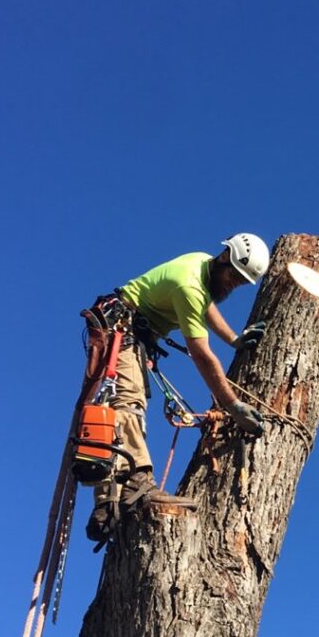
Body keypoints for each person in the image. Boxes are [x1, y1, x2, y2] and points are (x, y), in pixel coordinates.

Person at [81, 233, 270, 546]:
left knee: (116, 411)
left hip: (128, 332)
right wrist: (233, 405)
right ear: (224, 258)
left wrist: (234, 340)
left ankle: (107, 504)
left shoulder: (199, 264)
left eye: (239, 283)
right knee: (127, 405)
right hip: (121, 331)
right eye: (233, 277)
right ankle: (137, 480)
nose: (232, 285)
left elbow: (206, 307)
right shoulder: (189, 284)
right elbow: (201, 355)